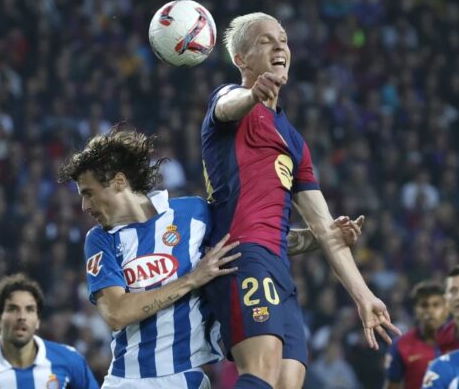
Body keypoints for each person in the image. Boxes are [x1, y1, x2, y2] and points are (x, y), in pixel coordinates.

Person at [57, 127, 361, 389]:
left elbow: (254, 240)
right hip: (129, 380)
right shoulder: (101, 240)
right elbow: (116, 313)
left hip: (189, 378)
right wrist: (192, 279)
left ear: (120, 182)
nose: (85, 206)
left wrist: (323, 237)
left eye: (89, 192)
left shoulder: (194, 213)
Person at [200, 12, 399, 388]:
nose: (279, 46)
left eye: (284, 39)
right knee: (261, 369)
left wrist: (363, 296)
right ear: (241, 59)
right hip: (242, 256)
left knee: (289, 382)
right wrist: (252, 94)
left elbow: (327, 231)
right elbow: (228, 104)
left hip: (279, 269)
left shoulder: (293, 141)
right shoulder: (228, 101)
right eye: (265, 40)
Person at [0, 273, 99, 389]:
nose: (22, 317)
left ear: (38, 320)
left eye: (29, 309)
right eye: (13, 309)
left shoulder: (70, 360)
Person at [384, 281, 448, 389]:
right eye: (424, 305)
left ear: (446, 309)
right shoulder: (401, 346)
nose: (430, 310)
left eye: (436, 305)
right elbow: (392, 385)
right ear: (416, 310)